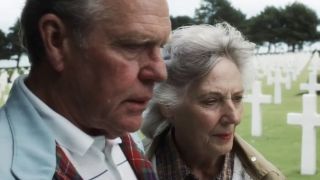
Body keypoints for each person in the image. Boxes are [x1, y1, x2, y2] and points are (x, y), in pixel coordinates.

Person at [0, 0, 171, 179]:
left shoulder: (119, 131)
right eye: (133, 45)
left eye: (160, 47)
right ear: (56, 40)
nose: (160, 72)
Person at [141, 23, 285, 180]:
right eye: (211, 101)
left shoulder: (263, 176)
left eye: (237, 98)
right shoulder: (128, 169)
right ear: (168, 106)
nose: (234, 118)